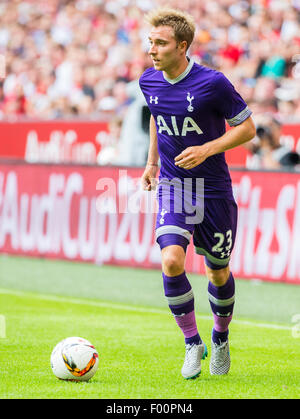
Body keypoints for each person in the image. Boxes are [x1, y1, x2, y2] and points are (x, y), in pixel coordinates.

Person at [139, 7, 256, 379]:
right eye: (150, 42)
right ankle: (192, 343)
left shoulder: (213, 83)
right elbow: (159, 119)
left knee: (217, 271)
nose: (152, 50)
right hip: (175, 186)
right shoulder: (149, 81)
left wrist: (207, 148)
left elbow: (248, 129)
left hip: (214, 191)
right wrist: (152, 164)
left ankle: (219, 338)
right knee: (171, 260)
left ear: (183, 46)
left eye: (160, 43)